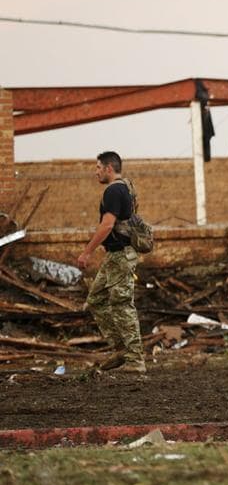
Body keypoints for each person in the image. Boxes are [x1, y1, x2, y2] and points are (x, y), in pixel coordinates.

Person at [77, 151, 146, 373]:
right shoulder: (125, 187)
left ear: (109, 168)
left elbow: (107, 225)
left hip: (121, 256)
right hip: (115, 256)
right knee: (96, 299)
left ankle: (135, 360)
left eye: (98, 167)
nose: (95, 171)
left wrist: (87, 252)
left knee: (123, 304)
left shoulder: (114, 190)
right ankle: (121, 350)